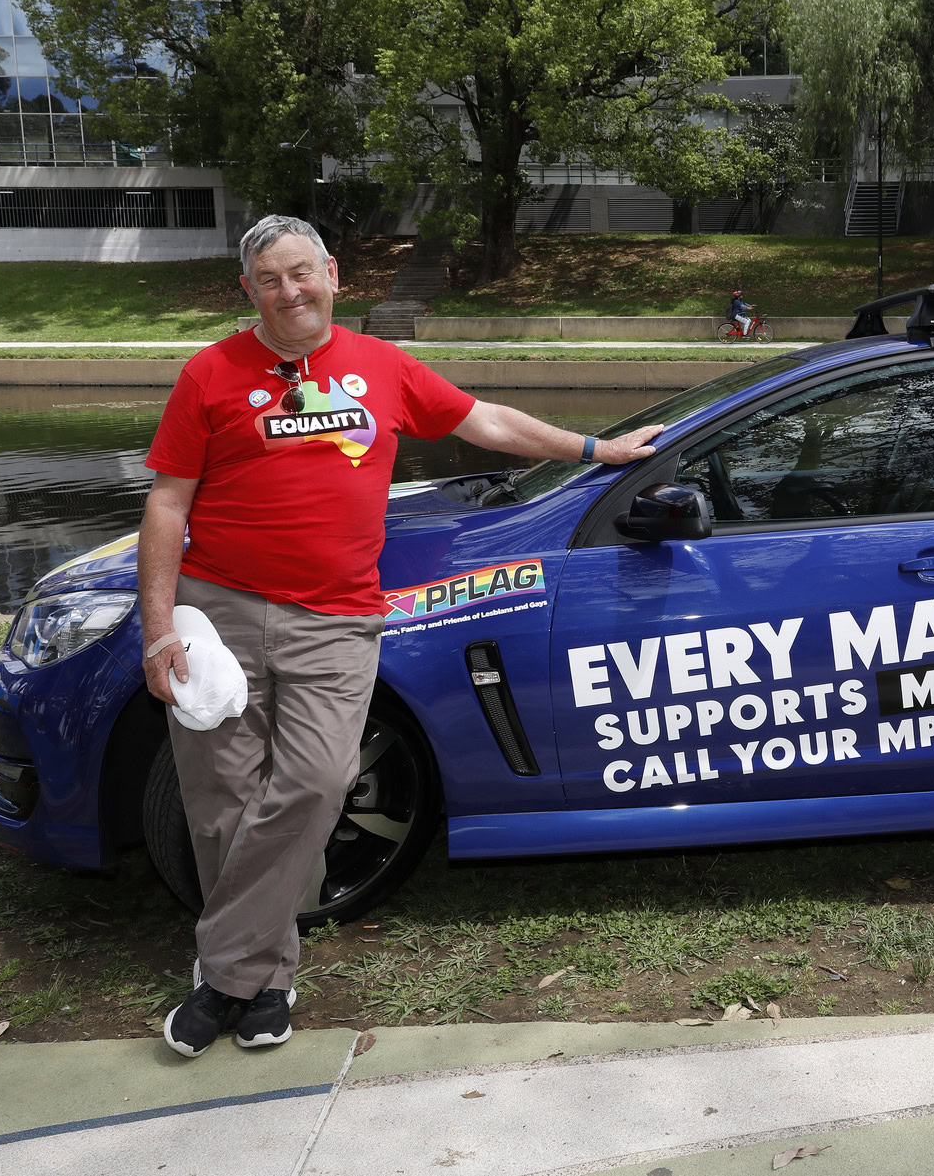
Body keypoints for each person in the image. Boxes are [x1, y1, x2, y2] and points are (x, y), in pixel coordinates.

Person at [140, 215, 662, 1059]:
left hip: (338, 616)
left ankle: (221, 974)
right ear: (250, 290)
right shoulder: (210, 374)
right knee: (218, 803)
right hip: (220, 611)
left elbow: (483, 421)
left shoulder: (380, 366)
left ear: (334, 274)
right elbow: (167, 503)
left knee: (315, 783)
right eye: (270, 279)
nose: (290, 291)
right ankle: (267, 981)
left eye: (302, 272)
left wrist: (593, 447)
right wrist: (159, 630)